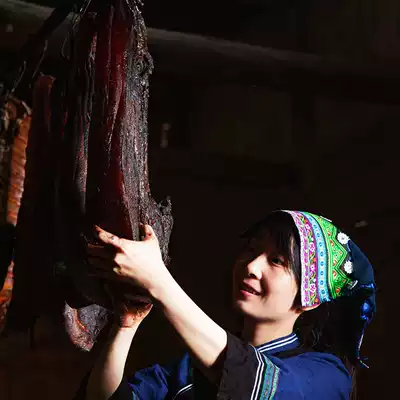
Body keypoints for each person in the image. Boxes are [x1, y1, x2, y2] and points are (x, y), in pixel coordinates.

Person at [76, 210, 376, 399]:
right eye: (252, 249)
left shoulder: (326, 378)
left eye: (277, 260)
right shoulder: (188, 370)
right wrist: (126, 324)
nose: (252, 266)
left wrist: (158, 281)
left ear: (309, 299)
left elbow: (253, 384)